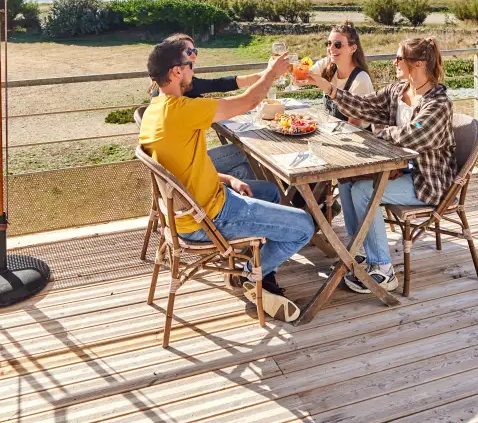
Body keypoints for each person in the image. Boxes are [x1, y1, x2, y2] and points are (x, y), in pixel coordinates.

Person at [139, 38, 315, 321]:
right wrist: (271, 73)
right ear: (175, 73)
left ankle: (262, 273)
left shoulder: (154, 111)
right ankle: (248, 275)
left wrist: (226, 178)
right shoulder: (182, 110)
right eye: (189, 66)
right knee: (305, 226)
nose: (193, 72)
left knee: (269, 192)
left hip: (195, 208)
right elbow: (249, 101)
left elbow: (178, 170)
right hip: (210, 218)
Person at [317, 36, 456, 293]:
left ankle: (383, 269)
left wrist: (375, 134)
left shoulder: (438, 104)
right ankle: (357, 251)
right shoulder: (397, 91)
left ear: (419, 64)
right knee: (347, 181)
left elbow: (413, 135)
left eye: (399, 58)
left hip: (427, 181)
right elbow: (364, 106)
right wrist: (331, 90)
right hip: (401, 170)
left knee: (363, 191)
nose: (394, 62)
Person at [149, 32, 267, 182]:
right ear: (175, 64)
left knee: (245, 170)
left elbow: (216, 85)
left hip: (180, 165)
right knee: (248, 150)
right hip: (188, 168)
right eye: (189, 51)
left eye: (195, 51)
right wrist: (267, 75)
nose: (194, 55)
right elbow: (221, 87)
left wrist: (260, 76)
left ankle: (257, 195)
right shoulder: (180, 92)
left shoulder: (162, 92)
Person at [296, 22, 375, 126]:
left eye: (337, 45)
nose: (331, 49)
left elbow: (354, 126)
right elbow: (300, 81)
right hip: (333, 130)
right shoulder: (327, 64)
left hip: (360, 138)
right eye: (329, 43)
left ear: (353, 48)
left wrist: (321, 83)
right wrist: (295, 73)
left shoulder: (361, 80)